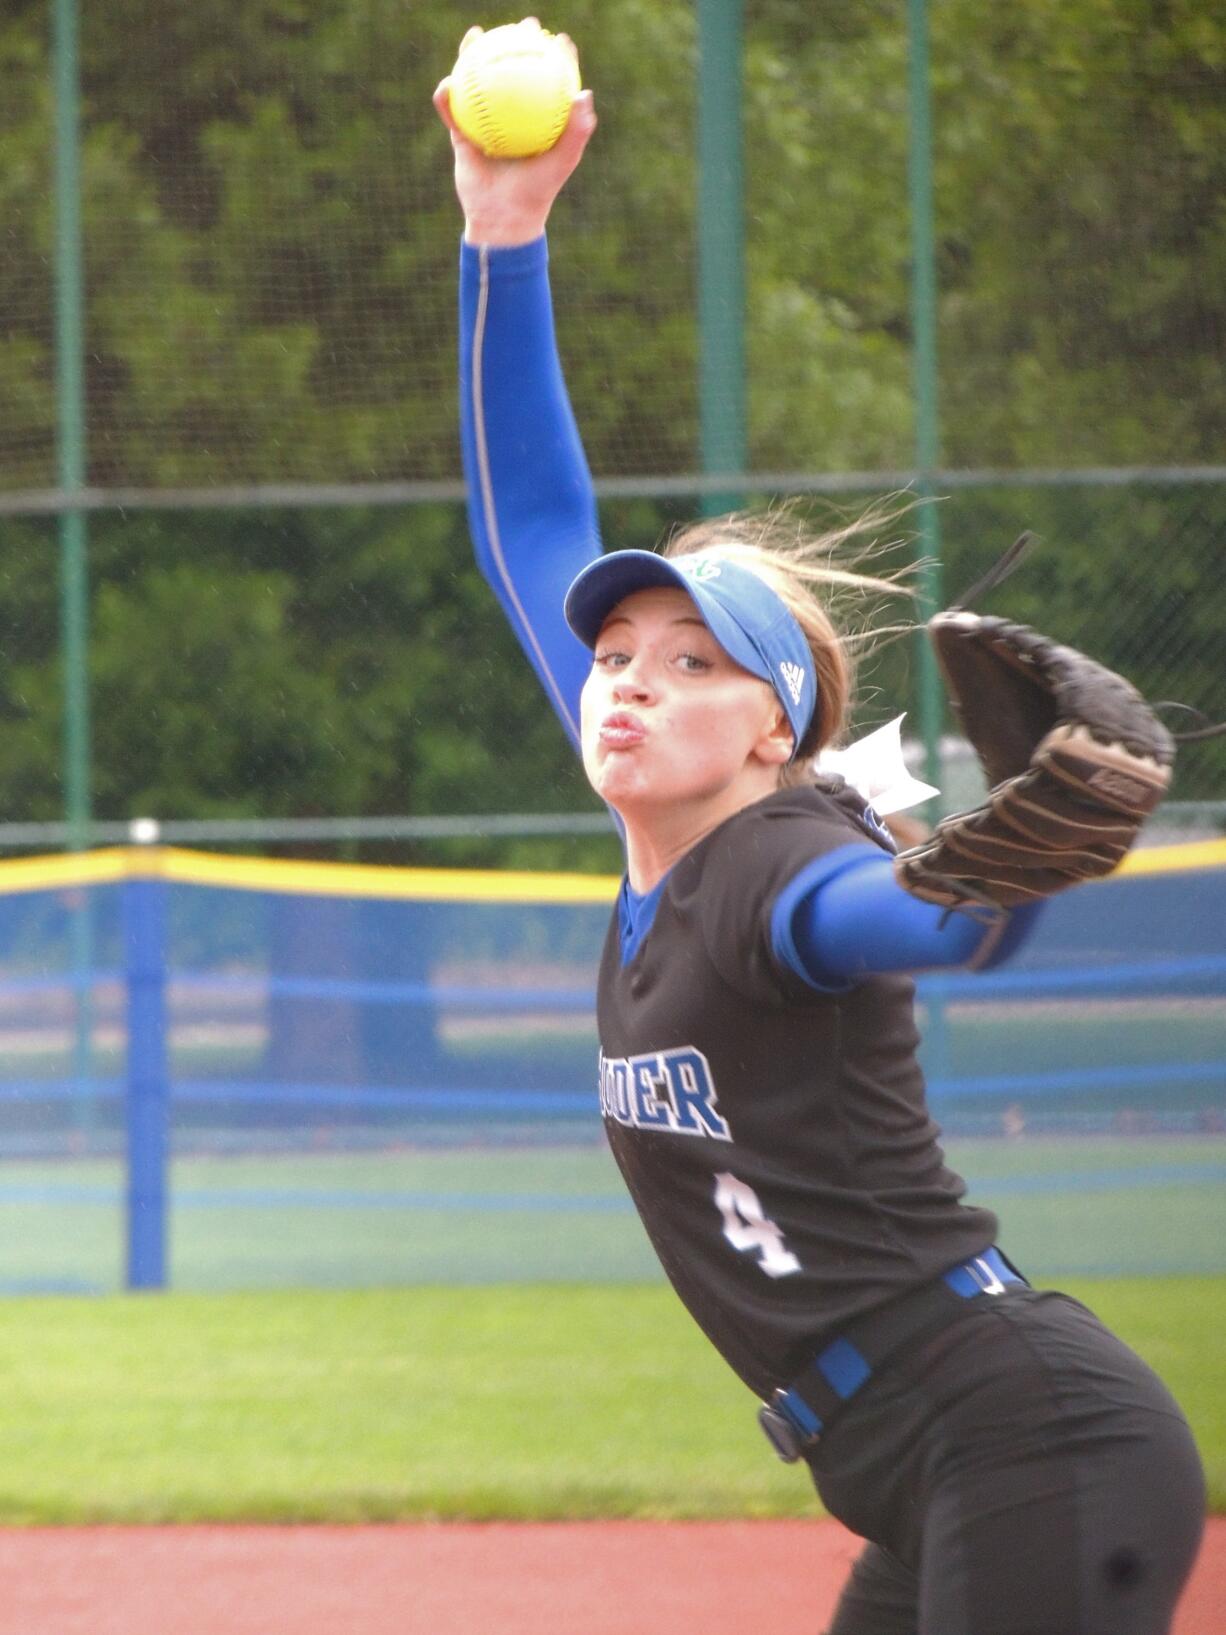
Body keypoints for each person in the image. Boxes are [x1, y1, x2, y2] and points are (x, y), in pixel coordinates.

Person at [434, 45, 1205, 1635]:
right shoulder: (677, 856)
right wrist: (501, 233)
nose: (634, 683)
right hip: (922, 1460)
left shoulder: (775, 868)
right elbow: (528, 526)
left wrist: (997, 869)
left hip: (1021, 1433)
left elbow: (922, 923)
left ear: (771, 731)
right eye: (617, 656)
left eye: (692, 663)